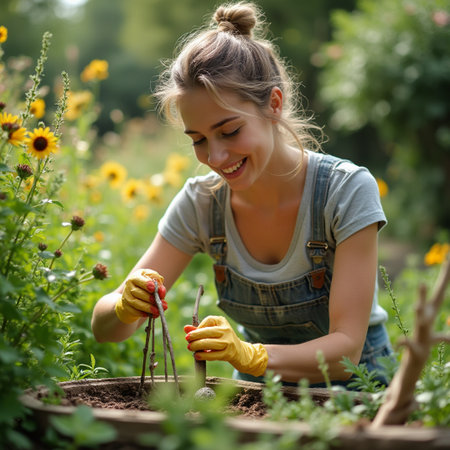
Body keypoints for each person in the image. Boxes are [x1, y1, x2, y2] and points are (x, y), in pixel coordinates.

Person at [91, 1, 393, 387]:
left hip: (357, 395)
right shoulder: (202, 204)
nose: (215, 157)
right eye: (198, 139)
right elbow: (107, 330)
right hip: (259, 396)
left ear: (274, 105)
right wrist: (123, 305)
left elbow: (347, 351)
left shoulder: (345, 191)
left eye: (230, 131)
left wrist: (251, 354)